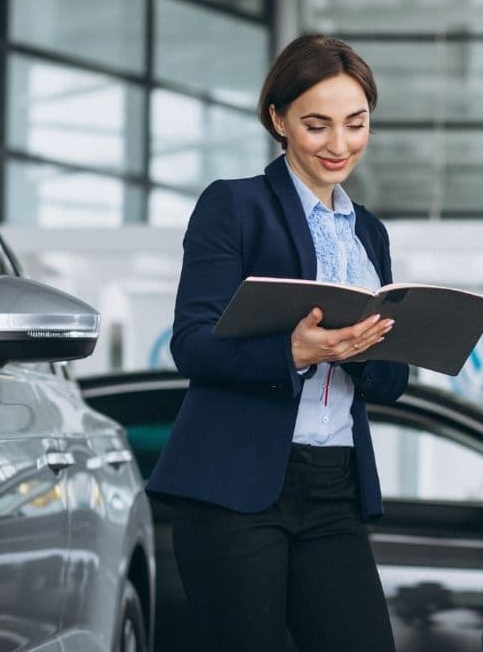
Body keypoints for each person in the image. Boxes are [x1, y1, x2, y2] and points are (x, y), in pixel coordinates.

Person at [145, 34, 409, 652]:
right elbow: (193, 344)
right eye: (317, 125)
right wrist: (293, 352)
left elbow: (391, 382)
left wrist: (370, 349)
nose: (338, 145)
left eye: (355, 124)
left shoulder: (368, 231)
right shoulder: (235, 206)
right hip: (237, 487)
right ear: (278, 119)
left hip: (334, 483)